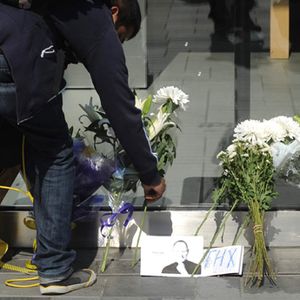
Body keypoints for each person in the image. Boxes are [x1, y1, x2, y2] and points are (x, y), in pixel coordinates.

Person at [0, 0, 166, 295]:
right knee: (56, 154)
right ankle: (54, 270)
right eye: (121, 36)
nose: (116, 43)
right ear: (115, 12)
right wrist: (149, 173)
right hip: (16, 62)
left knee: (10, 149)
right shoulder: (94, 13)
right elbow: (118, 102)